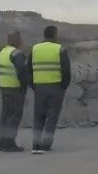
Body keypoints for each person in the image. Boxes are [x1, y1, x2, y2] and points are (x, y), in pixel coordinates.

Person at [29, 25, 71, 154]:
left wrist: (33, 85)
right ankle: (46, 145)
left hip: (39, 88)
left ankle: (35, 145)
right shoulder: (59, 49)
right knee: (52, 117)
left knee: (38, 117)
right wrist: (63, 86)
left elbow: (28, 69)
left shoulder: (34, 49)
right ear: (54, 35)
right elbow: (66, 71)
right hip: (55, 87)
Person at [0, 30, 30, 152]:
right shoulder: (16, 54)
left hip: (4, 87)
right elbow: (22, 72)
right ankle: (10, 143)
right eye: (20, 39)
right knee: (14, 116)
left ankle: (2, 142)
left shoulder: (2, 52)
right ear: (17, 40)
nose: (21, 41)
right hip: (15, 88)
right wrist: (24, 86)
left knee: (5, 116)